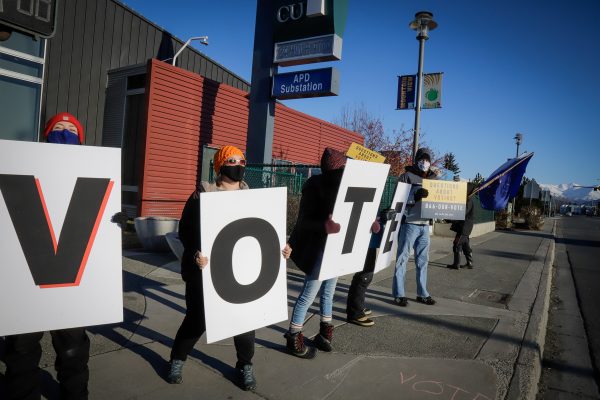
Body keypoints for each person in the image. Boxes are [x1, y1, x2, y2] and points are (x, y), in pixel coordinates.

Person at [167, 145, 291, 391]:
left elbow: (265, 234)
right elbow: (186, 232)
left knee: (244, 321)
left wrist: (281, 250)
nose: (239, 165)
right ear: (220, 165)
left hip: (241, 273)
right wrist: (195, 254)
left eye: (242, 161)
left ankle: (245, 365)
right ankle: (177, 359)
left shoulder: (254, 198)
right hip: (204, 272)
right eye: (232, 160)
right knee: (196, 320)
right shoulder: (201, 195)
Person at [4, 112, 90, 400]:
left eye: (70, 129)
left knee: (73, 348)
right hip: (28, 276)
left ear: (81, 140)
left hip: (68, 277)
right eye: (58, 128)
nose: (64, 132)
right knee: (21, 348)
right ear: (46, 135)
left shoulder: (93, 174)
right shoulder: (21, 168)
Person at [285, 147, 347, 358]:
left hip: (334, 248)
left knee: (325, 293)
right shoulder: (317, 186)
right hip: (322, 249)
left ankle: (324, 334)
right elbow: (304, 220)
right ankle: (294, 335)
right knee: (310, 294)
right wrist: (324, 226)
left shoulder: (339, 185)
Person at [392, 147, 438, 307]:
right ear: (416, 159)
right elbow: (397, 199)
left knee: (423, 261)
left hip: (425, 225)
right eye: (422, 159)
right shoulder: (406, 176)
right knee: (402, 258)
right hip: (409, 224)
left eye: (427, 160)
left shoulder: (434, 179)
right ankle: (399, 294)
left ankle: (422, 293)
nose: (424, 162)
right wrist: (414, 197)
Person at [345, 208, 396, 327]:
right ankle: (354, 312)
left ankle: (358, 306)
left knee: (365, 276)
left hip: (370, 241)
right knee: (363, 277)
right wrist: (379, 219)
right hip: (365, 241)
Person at [447, 182, 477, 270]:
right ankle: (469, 263)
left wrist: (450, 218)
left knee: (457, 244)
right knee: (465, 245)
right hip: (464, 227)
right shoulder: (468, 199)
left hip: (464, 227)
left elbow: (462, 213)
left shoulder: (469, 200)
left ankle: (456, 264)